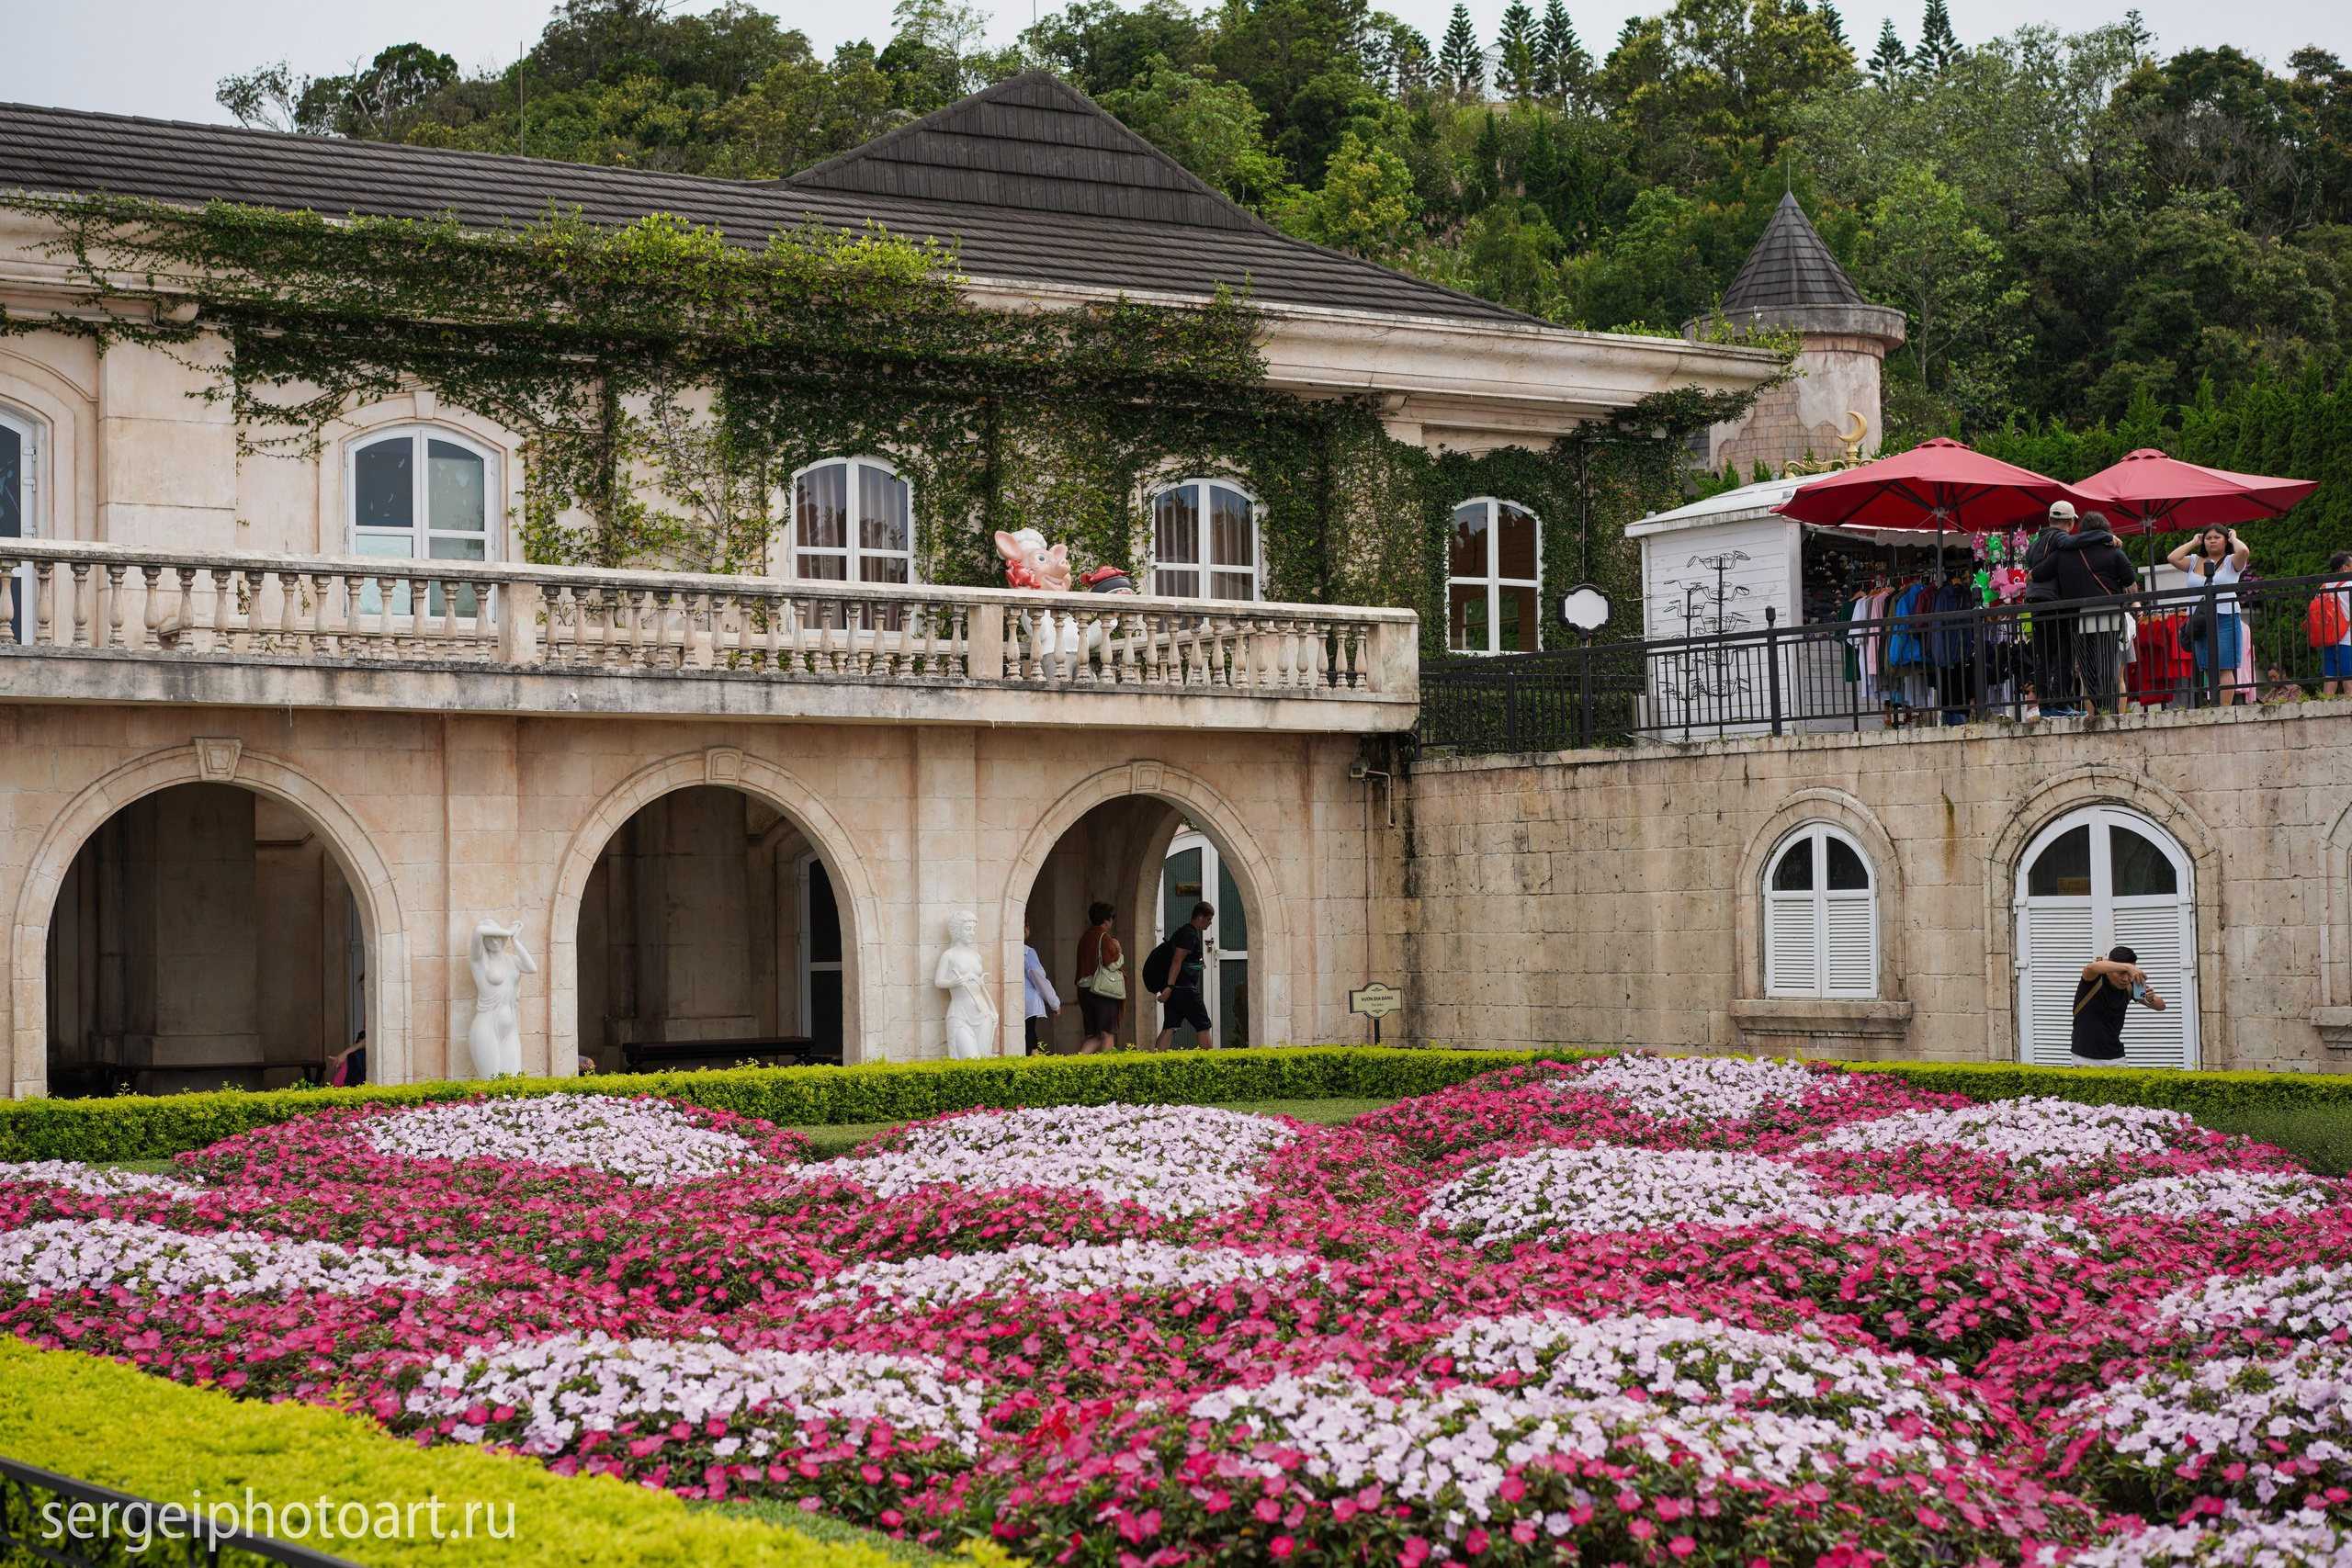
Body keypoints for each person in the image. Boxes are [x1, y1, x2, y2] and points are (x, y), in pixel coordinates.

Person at [2030, 508, 2135, 714]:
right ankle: (2109, 709)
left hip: (2078, 615)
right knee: (2107, 663)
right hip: (2109, 612)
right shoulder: (2113, 550)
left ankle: (2096, 707)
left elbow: (2037, 573)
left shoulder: (2064, 553)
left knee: (2087, 667)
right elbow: (2129, 578)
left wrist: (2030, 576)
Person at [2169, 525, 2251, 706]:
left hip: (2225, 617)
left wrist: (2233, 538)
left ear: (2225, 539)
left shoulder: (2231, 561)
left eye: (2217, 537)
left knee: (2225, 667)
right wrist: (2193, 541)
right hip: (2200, 620)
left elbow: (2244, 550)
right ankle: (2214, 705)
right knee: (2207, 666)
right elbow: (2172, 558)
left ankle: (2224, 709)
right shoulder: (2194, 561)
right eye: (2208, 538)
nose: (2212, 541)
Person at [2069, 945, 2166, 1066]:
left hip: (2116, 1055)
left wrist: (2151, 999)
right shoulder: (2094, 979)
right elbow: (2091, 967)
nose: (2125, 979)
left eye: (2129, 973)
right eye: (2121, 973)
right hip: (2086, 1055)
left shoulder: (2130, 987)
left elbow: (2161, 1006)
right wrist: (2128, 967)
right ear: (2110, 968)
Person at [2023, 502, 2077, 716]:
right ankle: (2061, 705)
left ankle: (2044, 705)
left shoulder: (2035, 544)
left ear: (2049, 519)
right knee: (2063, 656)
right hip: (2058, 604)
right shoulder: (2062, 538)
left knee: (2043, 658)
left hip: (2037, 605)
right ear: (2071, 522)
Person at [1154, 900, 1216, 1052]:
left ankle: (1156, 1063)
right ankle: (1210, 1064)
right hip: (1183, 988)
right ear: (1200, 917)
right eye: (1209, 919)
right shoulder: (1189, 934)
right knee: (1203, 1024)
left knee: (1170, 1025)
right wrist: (1170, 986)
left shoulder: (1183, 931)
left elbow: (1183, 960)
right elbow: (1177, 960)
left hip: (1176, 988)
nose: (1210, 923)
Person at [1073, 901, 1124, 1055]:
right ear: (1106, 919)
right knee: (1108, 1034)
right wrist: (1119, 951)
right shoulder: (1104, 937)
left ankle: (1076, 1067)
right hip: (1102, 991)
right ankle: (1105, 1074)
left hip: (1084, 990)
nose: (1112, 921)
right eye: (1112, 917)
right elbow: (1113, 964)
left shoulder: (1085, 936)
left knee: (1096, 1035)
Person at [1021, 918, 1059, 1055]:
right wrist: (1055, 1003)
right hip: (1028, 1004)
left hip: (1016, 1003)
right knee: (1028, 1039)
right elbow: (1040, 980)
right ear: (1025, 929)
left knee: (1032, 1045)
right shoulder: (1027, 952)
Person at [2319, 551, 2352, 698]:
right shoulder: (2350, 584)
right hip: (2346, 639)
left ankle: (2325, 711)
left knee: (2329, 680)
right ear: (2345, 568)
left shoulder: (2323, 586)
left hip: (2326, 639)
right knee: (2349, 679)